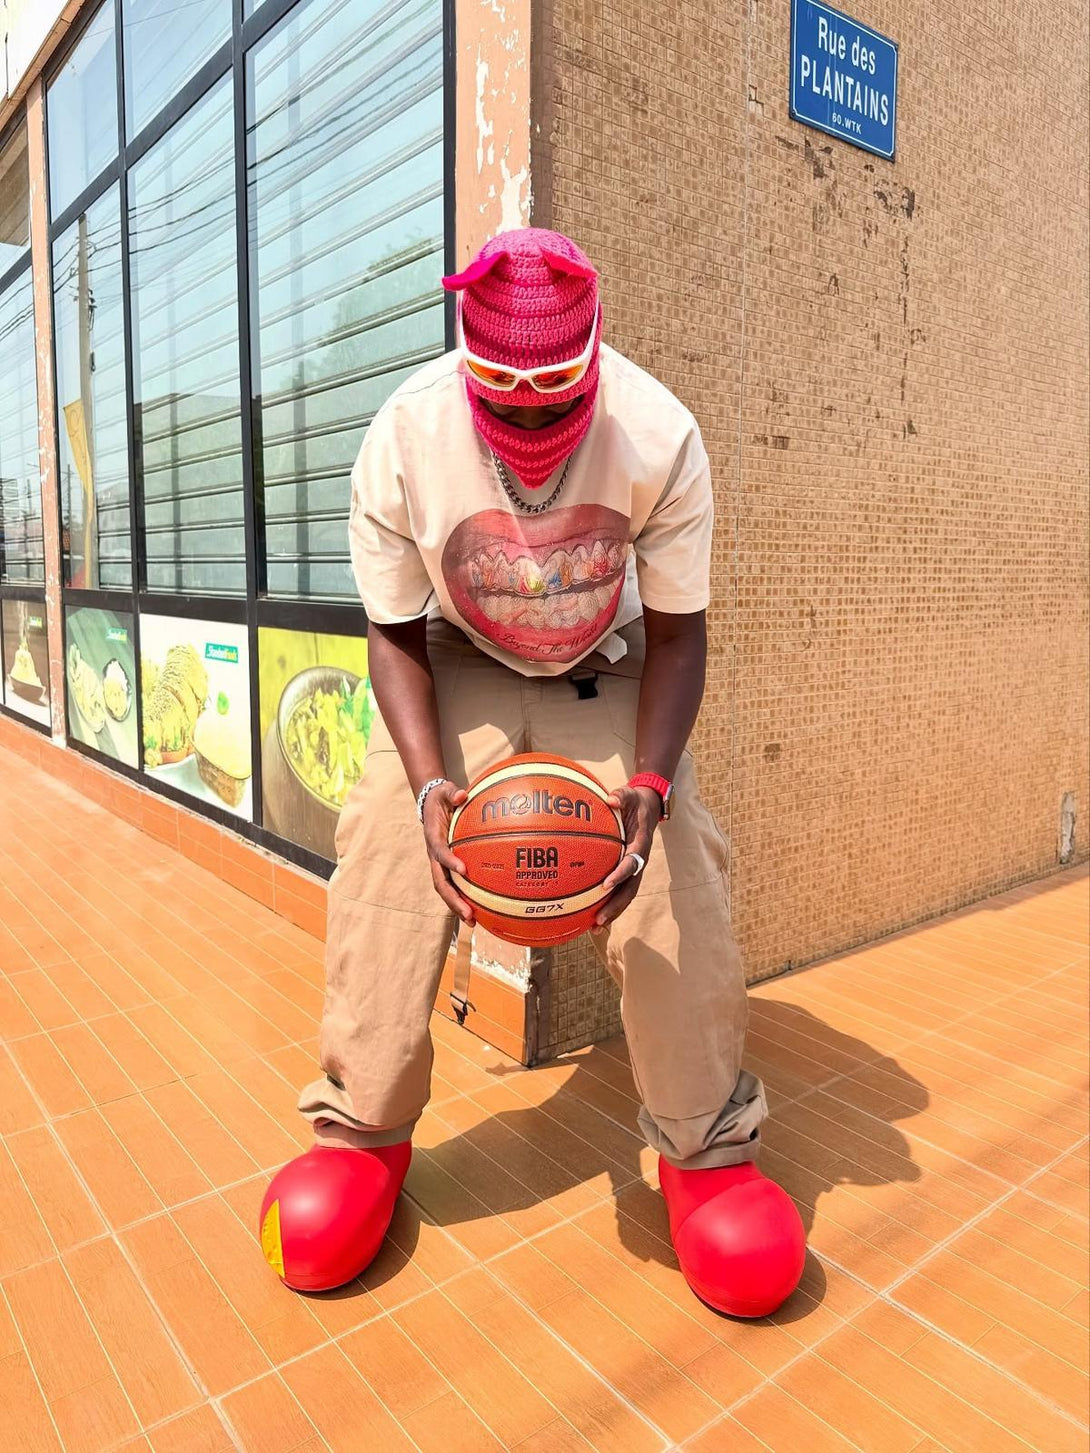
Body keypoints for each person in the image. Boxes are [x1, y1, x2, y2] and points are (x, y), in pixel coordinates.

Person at [261, 228, 806, 1317]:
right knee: (380, 846)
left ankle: (704, 1148)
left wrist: (647, 790)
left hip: (610, 664)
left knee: (673, 872)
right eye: (503, 417)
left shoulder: (659, 434)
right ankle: (362, 1128)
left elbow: (684, 638)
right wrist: (424, 789)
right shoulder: (404, 437)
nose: (527, 444)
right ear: (470, 372)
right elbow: (393, 636)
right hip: (456, 658)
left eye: (548, 415)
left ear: (590, 363)